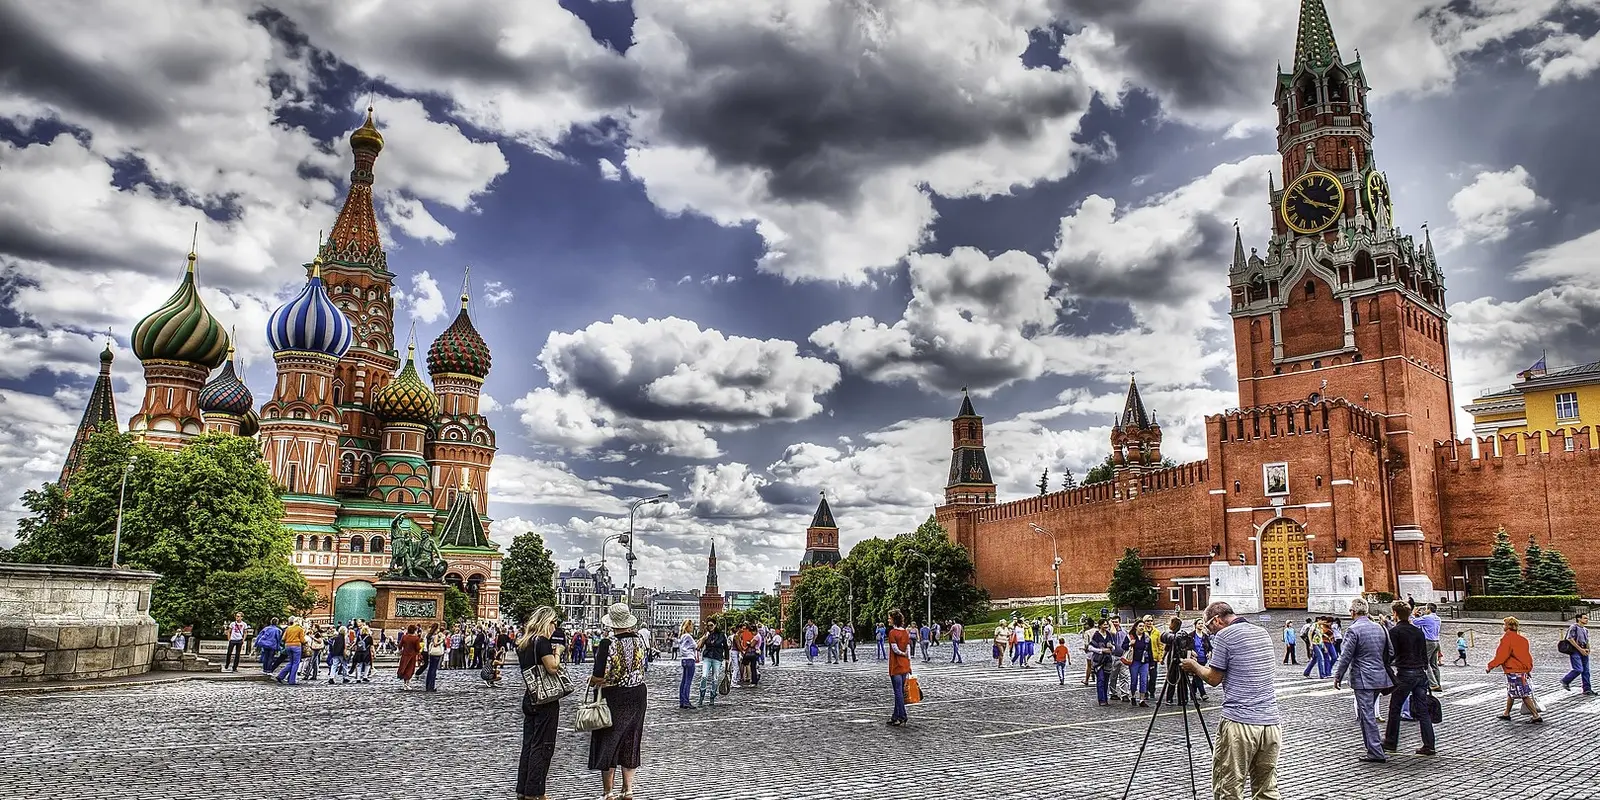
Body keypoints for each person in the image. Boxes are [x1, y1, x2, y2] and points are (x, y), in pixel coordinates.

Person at [1180, 602, 1282, 800]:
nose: (1210, 632)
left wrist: (1193, 666)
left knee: (1229, 787)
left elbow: (1213, 678)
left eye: (1209, 627)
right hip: (1271, 723)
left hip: (1240, 722)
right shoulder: (1262, 633)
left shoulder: (1224, 636)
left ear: (1217, 620)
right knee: (1267, 789)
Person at [589, 603, 648, 800]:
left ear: (612, 623)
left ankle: (609, 792)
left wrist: (592, 681)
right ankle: (628, 789)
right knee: (632, 738)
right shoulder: (640, 640)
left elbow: (599, 675)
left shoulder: (608, 643)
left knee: (609, 739)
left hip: (614, 696)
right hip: (638, 694)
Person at [1331, 598, 1394, 763]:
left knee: (1367, 715)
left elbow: (1345, 656)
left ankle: (1375, 751)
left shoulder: (1353, 630)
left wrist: (1338, 675)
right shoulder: (1380, 627)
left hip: (1363, 678)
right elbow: (1391, 652)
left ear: (1353, 612)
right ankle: (1372, 748)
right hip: (1380, 677)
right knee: (1368, 713)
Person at [516, 606, 564, 800]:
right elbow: (552, 667)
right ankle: (536, 791)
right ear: (547, 622)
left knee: (528, 744)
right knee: (543, 745)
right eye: (554, 623)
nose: (555, 627)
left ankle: (523, 787)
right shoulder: (542, 642)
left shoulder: (524, 642)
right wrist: (558, 652)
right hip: (546, 698)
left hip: (530, 696)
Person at [1382, 601, 1437, 756]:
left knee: (1395, 708)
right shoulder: (1417, 631)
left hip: (1405, 673)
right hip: (1420, 673)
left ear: (1395, 614)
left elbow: (1391, 653)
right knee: (1423, 710)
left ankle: (1391, 742)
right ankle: (1429, 744)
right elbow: (1423, 654)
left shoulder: (1396, 632)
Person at [1486, 616, 1542, 722]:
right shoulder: (1523, 640)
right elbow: (1526, 656)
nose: (1503, 626)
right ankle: (1506, 713)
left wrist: (1491, 666)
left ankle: (1536, 715)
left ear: (1507, 626)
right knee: (1511, 692)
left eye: (1504, 624)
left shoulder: (1507, 639)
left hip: (1514, 670)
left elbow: (1502, 655)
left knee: (1523, 694)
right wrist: (1528, 669)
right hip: (1522, 669)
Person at [886, 609, 912, 726]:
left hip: (896, 665)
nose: (888, 620)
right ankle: (895, 716)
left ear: (894, 619)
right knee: (900, 691)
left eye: (889, 618)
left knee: (898, 692)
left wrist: (902, 654)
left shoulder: (892, 633)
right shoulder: (905, 632)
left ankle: (902, 715)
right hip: (905, 665)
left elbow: (895, 649)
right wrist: (908, 661)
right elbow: (908, 648)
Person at [696, 620, 728, 706]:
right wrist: (704, 638)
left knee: (715, 679)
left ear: (715, 625)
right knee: (704, 676)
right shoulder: (706, 634)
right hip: (707, 657)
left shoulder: (721, 635)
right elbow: (699, 647)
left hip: (717, 658)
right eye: (708, 625)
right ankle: (701, 697)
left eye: (711, 625)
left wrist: (727, 660)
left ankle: (712, 697)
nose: (710, 627)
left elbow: (726, 648)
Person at [1561, 611, 1592, 695]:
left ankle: (1587, 689)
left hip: (1583, 650)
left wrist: (1587, 649)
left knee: (1586, 671)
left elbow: (1586, 640)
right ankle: (1565, 680)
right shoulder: (1574, 627)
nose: (1587, 620)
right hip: (1575, 651)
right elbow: (1570, 639)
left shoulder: (1585, 629)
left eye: (1587, 618)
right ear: (1579, 618)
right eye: (1585, 618)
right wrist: (1580, 649)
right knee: (1578, 669)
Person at [1128, 620, 1155, 708]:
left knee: (1144, 680)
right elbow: (1123, 646)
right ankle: (1132, 696)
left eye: (1143, 626)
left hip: (1145, 661)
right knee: (1134, 680)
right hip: (1134, 661)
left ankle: (1142, 699)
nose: (1142, 628)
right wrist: (1130, 644)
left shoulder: (1147, 637)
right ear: (1136, 627)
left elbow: (1150, 650)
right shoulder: (1131, 637)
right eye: (1140, 626)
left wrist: (1151, 663)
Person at [1416, 602, 1443, 690]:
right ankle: (1438, 683)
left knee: (1425, 663)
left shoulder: (1427, 617)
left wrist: (1413, 614)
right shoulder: (1438, 618)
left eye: (1426, 609)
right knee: (1434, 664)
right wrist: (1421, 616)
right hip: (1436, 641)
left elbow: (1413, 622)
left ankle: (1433, 684)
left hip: (1428, 641)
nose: (1425, 610)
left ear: (1429, 609)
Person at [274, 617, 305, 685]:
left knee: (291, 662)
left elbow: (283, 638)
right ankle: (291, 680)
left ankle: (281, 676)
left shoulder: (288, 628)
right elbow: (302, 640)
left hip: (288, 646)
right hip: (296, 646)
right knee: (296, 663)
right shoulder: (300, 629)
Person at [675, 620, 698, 709]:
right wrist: (703, 638)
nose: (692, 627)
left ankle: (682, 700)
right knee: (688, 681)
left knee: (684, 681)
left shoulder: (682, 636)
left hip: (684, 659)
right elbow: (696, 646)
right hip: (690, 659)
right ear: (688, 627)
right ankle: (686, 701)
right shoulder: (688, 636)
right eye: (691, 625)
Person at [397, 624, 423, 689]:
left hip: (405, 655)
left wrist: (401, 650)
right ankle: (407, 683)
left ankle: (405, 683)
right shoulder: (416, 638)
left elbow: (400, 645)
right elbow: (418, 648)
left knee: (404, 668)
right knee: (410, 669)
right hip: (412, 656)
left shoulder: (404, 637)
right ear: (414, 631)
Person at [425, 624, 446, 692]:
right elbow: (435, 644)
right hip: (436, 654)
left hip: (431, 653)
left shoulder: (429, 635)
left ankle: (428, 685)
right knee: (433, 670)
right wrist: (442, 640)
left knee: (430, 669)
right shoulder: (435, 636)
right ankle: (431, 686)